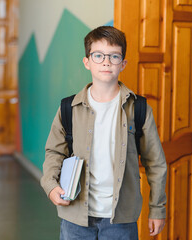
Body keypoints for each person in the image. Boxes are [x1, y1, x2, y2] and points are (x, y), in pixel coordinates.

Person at [40, 26, 167, 240]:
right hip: (75, 217)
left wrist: (157, 209)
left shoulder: (139, 109)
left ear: (123, 64)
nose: (106, 62)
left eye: (114, 56)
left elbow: (156, 163)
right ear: (87, 61)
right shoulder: (68, 108)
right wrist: (51, 186)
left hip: (120, 219)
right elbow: (54, 153)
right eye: (98, 55)